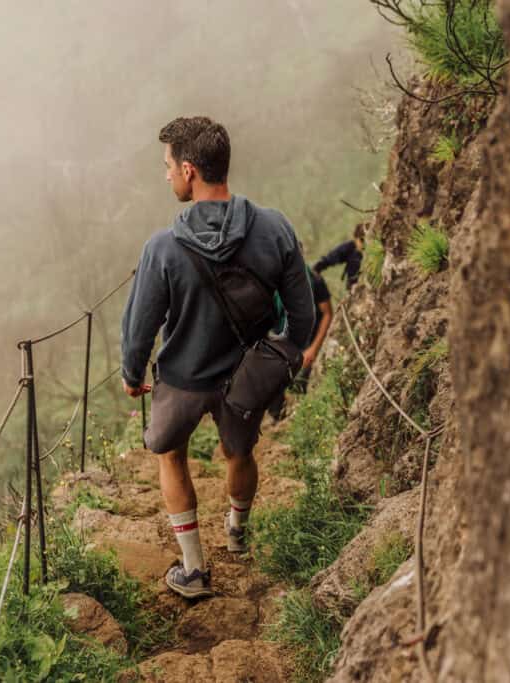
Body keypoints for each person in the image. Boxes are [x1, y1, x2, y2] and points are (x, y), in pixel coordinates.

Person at [120, 116, 314, 599]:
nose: (165, 175)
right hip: (245, 378)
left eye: (167, 166)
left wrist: (131, 372)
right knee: (240, 452)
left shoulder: (162, 248)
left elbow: (140, 326)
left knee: (170, 454)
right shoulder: (274, 229)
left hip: (183, 378)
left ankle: (193, 569)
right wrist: (276, 361)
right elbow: (303, 318)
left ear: (189, 170)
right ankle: (237, 535)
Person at [266, 261, 332, 419]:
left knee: (300, 382)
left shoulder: (314, 281)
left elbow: (328, 314)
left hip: (308, 340)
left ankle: (301, 418)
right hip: (280, 338)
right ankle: (278, 418)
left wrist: (314, 349)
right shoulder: (270, 281)